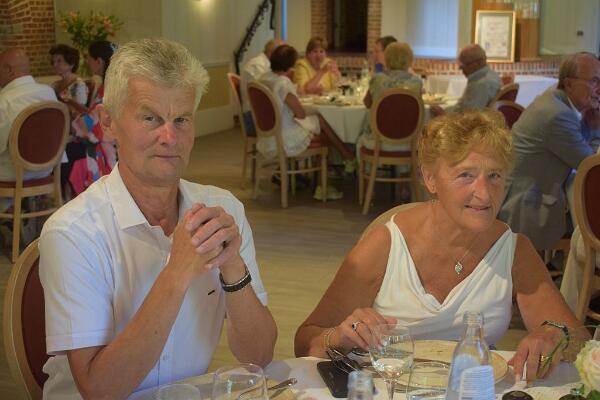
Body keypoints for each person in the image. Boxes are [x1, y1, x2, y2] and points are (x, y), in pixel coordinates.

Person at [39, 37, 277, 399]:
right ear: (108, 122)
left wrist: (232, 266)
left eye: (181, 119)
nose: (170, 137)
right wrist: (177, 272)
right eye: (150, 118)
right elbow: (100, 390)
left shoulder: (223, 210)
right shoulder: (73, 232)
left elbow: (258, 356)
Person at [294, 110, 583, 382]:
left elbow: (578, 339)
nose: (484, 194)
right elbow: (306, 341)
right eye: (466, 175)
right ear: (430, 178)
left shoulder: (514, 249)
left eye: (494, 175)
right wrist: (341, 337)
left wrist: (555, 337)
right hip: (390, 389)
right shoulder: (386, 244)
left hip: (471, 389)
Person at [498, 52, 600, 251]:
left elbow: (578, 145)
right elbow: (590, 167)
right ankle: (578, 263)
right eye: (594, 81)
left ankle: (570, 263)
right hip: (527, 206)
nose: (599, 89)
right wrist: (596, 127)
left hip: (527, 191)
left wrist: (590, 122)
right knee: (592, 219)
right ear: (569, 84)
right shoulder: (557, 115)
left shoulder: (555, 97)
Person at [257, 44, 354, 200]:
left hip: (268, 135)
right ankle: (325, 183)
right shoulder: (283, 83)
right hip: (285, 136)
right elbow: (300, 113)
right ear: (290, 64)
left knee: (319, 120)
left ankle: (346, 157)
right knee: (322, 126)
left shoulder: (264, 78)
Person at [0, 48, 57, 211]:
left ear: (8, 69)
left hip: (13, 173)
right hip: (46, 169)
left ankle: (9, 214)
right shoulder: (49, 93)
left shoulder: (5, 101)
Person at [67, 40, 118, 195]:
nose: (87, 62)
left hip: (107, 145)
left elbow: (90, 122)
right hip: (116, 141)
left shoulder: (106, 88)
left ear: (99, 61)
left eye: (89, 58)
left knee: (67, 153)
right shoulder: (115, 85)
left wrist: (74, 119)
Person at [357, 42, 422, 158]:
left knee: (358, 138)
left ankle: (368, 168)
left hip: (379, 141)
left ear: (387, 59)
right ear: (410, 60)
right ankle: (404, 168)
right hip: (408, 142)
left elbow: (367, 103)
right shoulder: (416, 83)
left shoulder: (378, 79)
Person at [431, 44, 501, 116]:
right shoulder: (493, 76)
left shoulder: (480, 84)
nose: (460, 69)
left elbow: (469, 118)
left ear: (478, 63)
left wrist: (443, 115)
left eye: (464, 65)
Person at [240, 38, 284, 135]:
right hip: (254, 118)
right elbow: (268, 94)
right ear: (272, 53)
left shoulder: (267, 64)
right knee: (295, 121)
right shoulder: (257, 66)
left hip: (262, 113)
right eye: (283, 55)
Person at [49, 44, 88, 112]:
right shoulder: (55, 85)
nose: (54, 65)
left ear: (71, 64)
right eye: (53, 62)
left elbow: (83, 111)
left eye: (59, 61)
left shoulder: (79, 85)